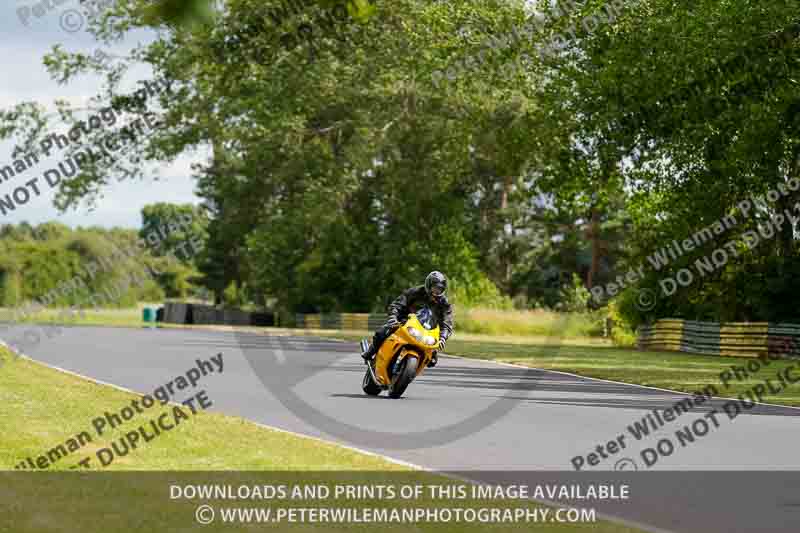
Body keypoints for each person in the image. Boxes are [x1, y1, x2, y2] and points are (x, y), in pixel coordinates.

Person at [360, 271, 454, 368]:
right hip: (405, 322)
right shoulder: (415, 292)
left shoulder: (444, 304)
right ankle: (370, 351)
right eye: (435, 288)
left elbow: (447, 323)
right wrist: (393, 317)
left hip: (427, 331)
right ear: (428, 285)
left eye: (440, 289)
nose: (437, 291)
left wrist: (443, 338)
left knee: (432, 360)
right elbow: (397, 304)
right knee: (383, 331)